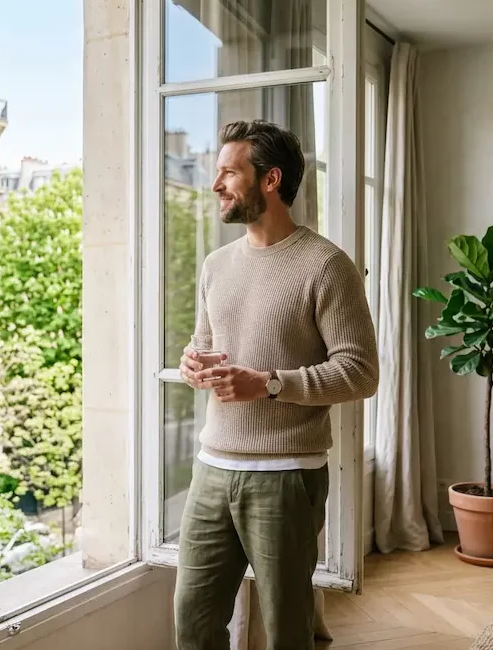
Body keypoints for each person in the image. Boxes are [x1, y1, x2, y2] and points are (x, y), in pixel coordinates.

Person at [174, 119, 379, 650]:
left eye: (228, 172)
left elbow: (360, 372)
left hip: (286, 477)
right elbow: (203, 345)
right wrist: (192, 366)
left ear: (270, 180)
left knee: (288, 632)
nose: (216, 184)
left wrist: (267, 383)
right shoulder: (215, 265)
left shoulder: (328, 266)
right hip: (212, 470)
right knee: (193, 625)